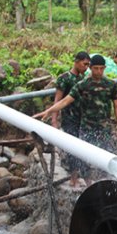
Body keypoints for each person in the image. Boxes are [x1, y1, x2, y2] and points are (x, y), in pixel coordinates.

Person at [34, 54, 117, 181]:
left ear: (104, 68)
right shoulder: (83, 85)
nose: (98, 72)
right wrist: (49, 111)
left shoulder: (111, 85)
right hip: (86, 128)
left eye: (101, 68)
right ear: (91, 68)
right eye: (95, 68)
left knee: (107, 157)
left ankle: (106, 183)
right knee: (84, 159)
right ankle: (88, 185)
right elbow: (65, 101)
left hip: (105, 128)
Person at [47, 51, 91, 185]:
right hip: (69, 119)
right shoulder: (64, 78)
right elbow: (58, 101)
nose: (86, 67)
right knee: (73, 148)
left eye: (88, 65)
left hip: (83, 119)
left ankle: (87, 177)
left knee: (85, 148)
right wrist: (54, 120)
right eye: (84, 64)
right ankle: (74, 177)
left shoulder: (84, 79)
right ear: (76, 61)